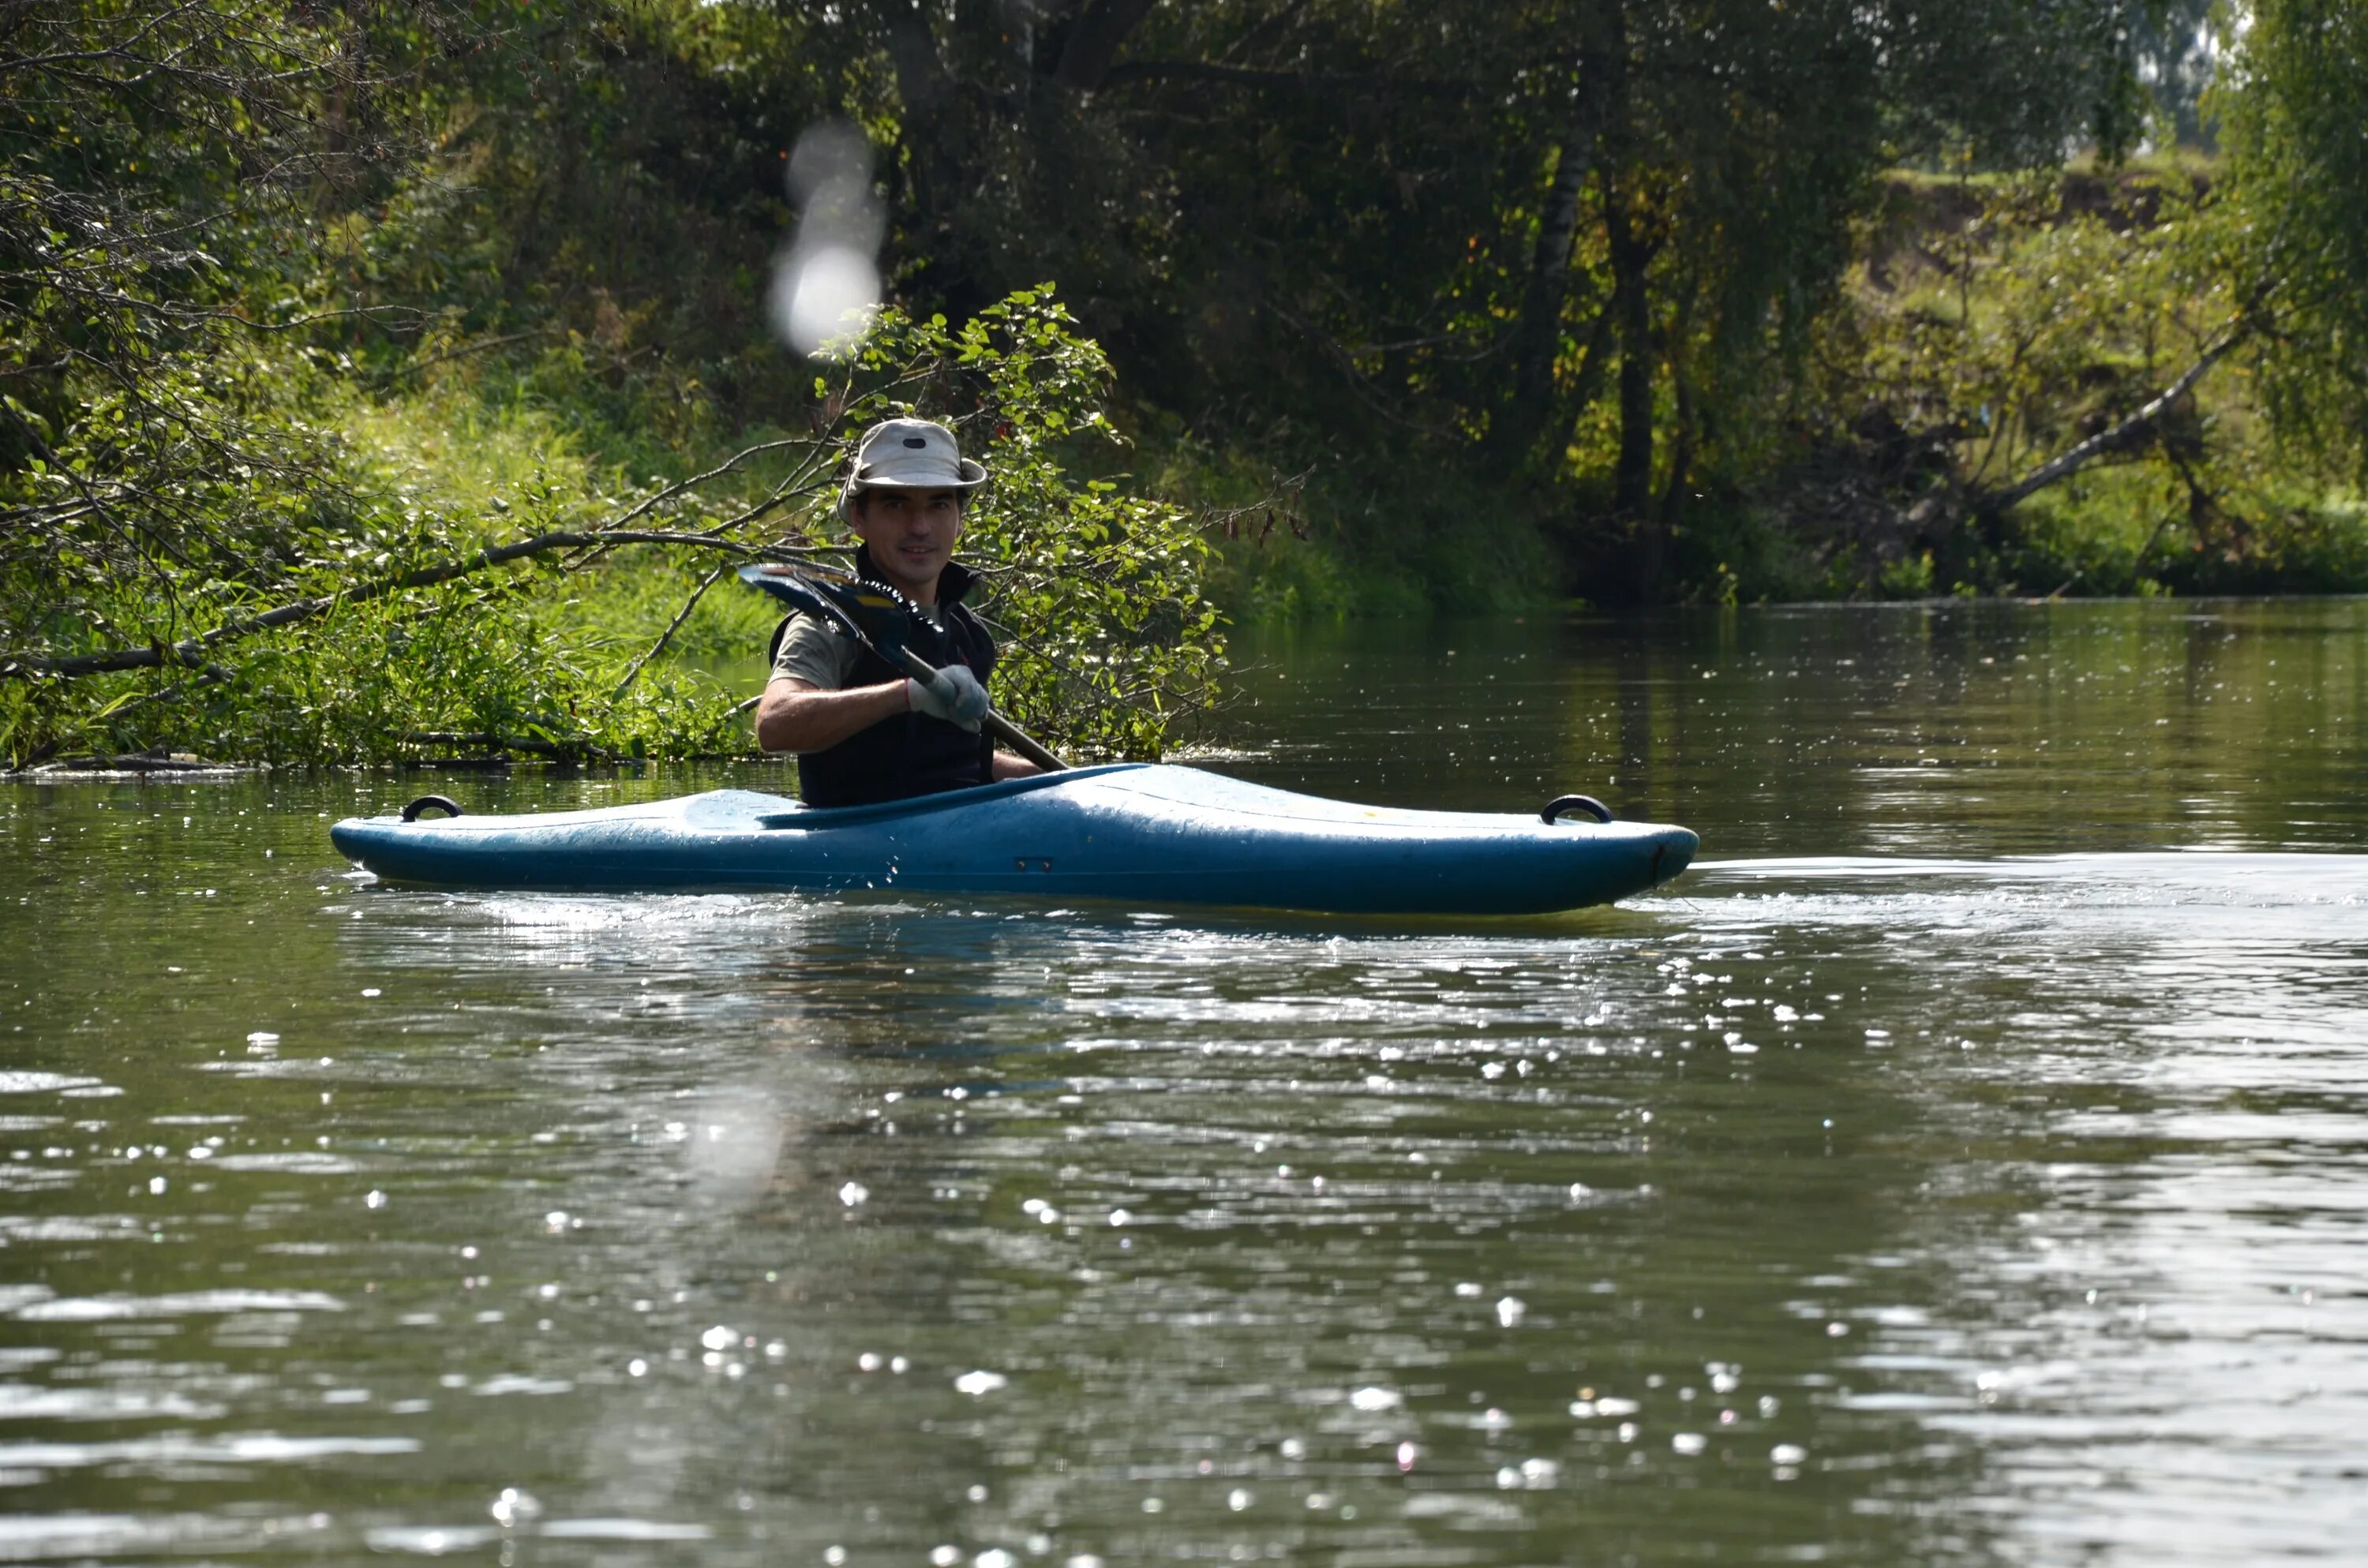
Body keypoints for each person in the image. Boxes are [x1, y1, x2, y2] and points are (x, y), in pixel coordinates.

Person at [754, 417, 1041, 805]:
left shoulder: (970, 637)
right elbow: (774, 725)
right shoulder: (831, 624)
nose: (920, 526)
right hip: (856, 845)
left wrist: (1069, 781)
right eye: (896, 504)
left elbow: (963, 762)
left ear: (960, 521)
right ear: (859, 517)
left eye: (938, 504)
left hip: (959, 839)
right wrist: (906, 695)